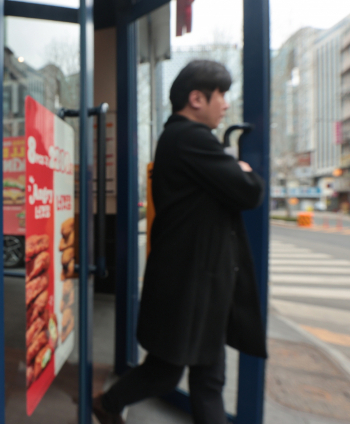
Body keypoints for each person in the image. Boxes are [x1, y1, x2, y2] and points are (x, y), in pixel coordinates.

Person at [93, 60, 267, 424]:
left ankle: (107, 404)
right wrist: (243, 170)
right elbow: (249, 191)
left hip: (195, 282)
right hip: (192, 284)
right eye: (221, 95)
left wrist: (237, 172)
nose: (226, 104)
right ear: (196, 99)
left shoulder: (179, 138)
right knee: (179, 374)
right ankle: (107, 404)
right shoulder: (191, 138)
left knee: (197, 375)